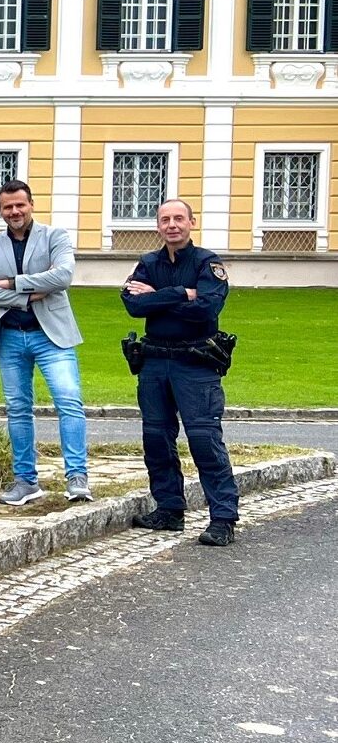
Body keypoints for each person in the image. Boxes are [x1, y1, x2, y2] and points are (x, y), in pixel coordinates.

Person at [122, 199, 238, 547]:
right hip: (155, 362)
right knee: (156, 438)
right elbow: (132, 304)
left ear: (191, 222)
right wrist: (179, 293)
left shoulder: (208, 263)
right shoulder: (149, 263)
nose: (172, 225)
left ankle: (222, 518)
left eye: (178, 219)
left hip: (195, 363)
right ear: (158, 226)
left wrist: (158, 296)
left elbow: (207, 307)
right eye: (165, 220)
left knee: (204, 440)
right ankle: (169, 509)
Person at [0, 180, 88, 506]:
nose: (14, 212)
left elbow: (63, 276)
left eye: (19, 205)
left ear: (31, 204)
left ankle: (77, 478)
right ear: (0, 210)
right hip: (9, 337)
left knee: (69, 401)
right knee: (18, 410)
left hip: (52, 336)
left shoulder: (55, 237)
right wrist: (29, 297)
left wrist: (13, 283)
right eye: (7, 207)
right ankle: (25, 481)